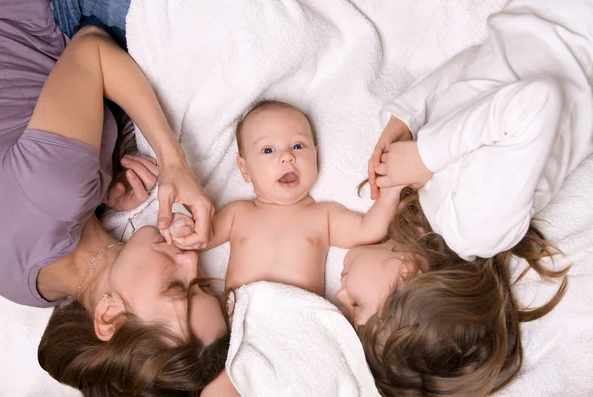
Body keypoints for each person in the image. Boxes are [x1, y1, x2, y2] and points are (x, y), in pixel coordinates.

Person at [337, 0, 593, 395]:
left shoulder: (438, 209)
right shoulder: (478, 229)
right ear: (406, 279)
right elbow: (536, 102)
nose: (339, 293)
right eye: (356, 307)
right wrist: (426, 154)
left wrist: (406, 117)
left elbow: (478, 72)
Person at [0, 2, 225, 395]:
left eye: (177, 288)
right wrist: (101, 190)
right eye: (201, 283)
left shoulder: (60, 193)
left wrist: (172, 159)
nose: (191, 260)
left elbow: (90, 49)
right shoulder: (30, 289)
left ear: (109, 314)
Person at [163, 100, 401, 296]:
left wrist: (392, 187)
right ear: (245, 169)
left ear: (315, 157)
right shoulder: (238, 213)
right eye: (268, 150)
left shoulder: (324, 216)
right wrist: (183, 227)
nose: (287, 156)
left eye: (298, 146)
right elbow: (202, 236)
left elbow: (369, 230)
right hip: (245, 322)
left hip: (299, 316)